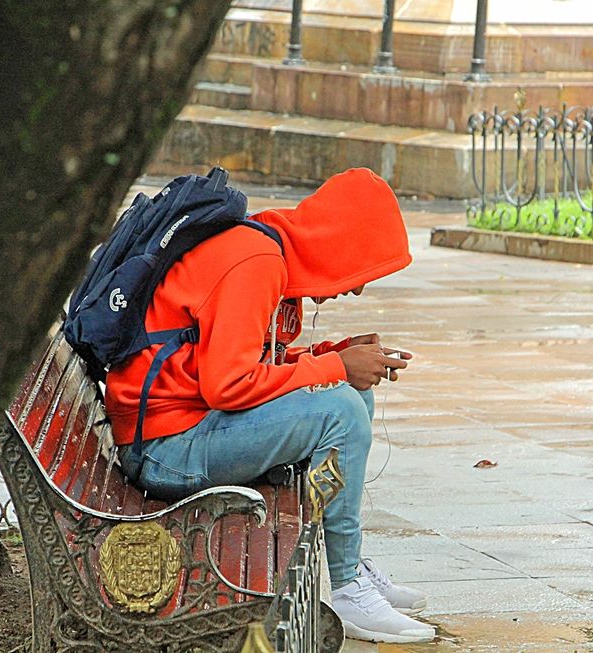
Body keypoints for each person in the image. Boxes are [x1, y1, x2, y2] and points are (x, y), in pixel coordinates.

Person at [105, 168, 435, 644]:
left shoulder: (270, 248)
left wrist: (329, 356)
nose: (357, 288)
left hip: (185, 427)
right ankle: (347, 588)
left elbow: (237, 363)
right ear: (338, 242)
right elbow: (229, 385)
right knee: (339, 407)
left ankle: (350, 560)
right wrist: (335, 367)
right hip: (164, 450)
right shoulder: (255, 260)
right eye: (363, 268)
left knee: (351, 393)